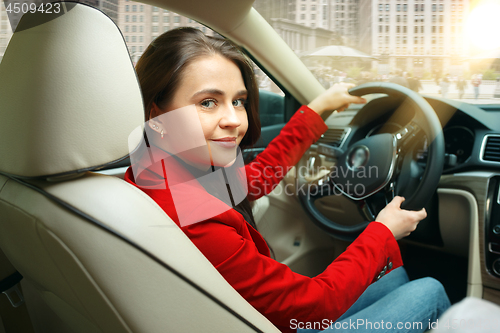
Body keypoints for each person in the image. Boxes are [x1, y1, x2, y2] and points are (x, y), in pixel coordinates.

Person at [125, 28, 450, 333]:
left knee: (396, 279)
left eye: (238, 101)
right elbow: (316, 307)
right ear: (157, 116)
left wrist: (317, 109)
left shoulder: (159, 173)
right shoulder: (196, 219)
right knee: (431, 290)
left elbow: (257, 178)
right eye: (208, 103)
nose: (235, 120)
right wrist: (383, 231)